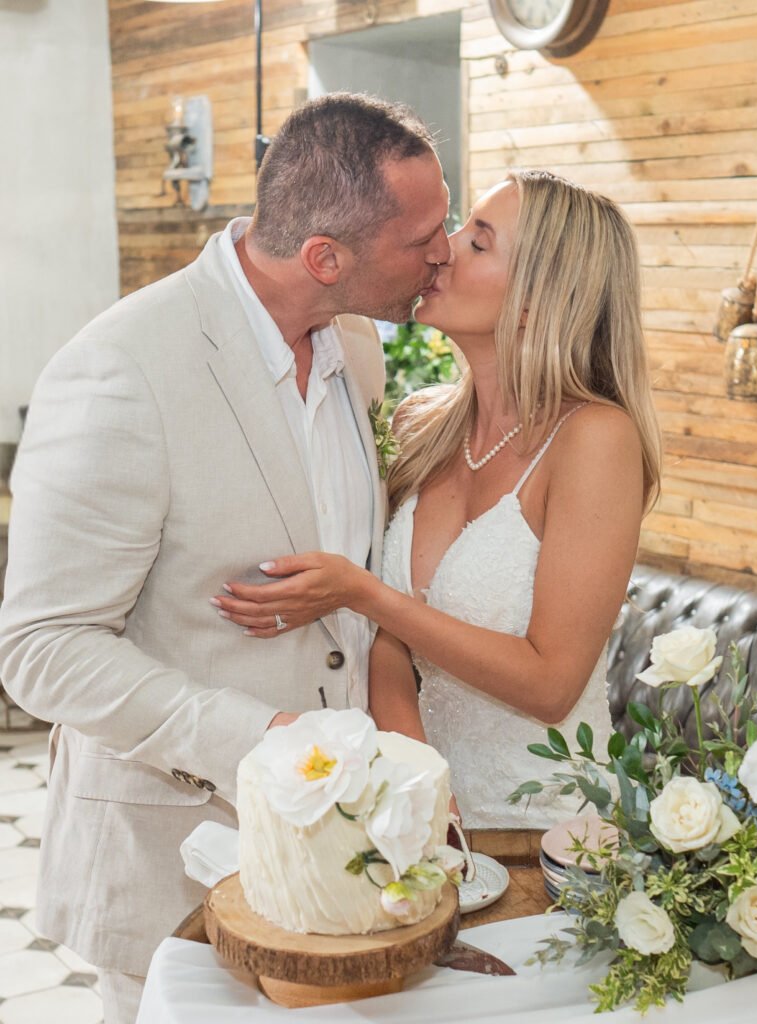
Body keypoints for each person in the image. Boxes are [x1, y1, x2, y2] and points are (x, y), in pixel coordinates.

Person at [0, 93, 449, 1024]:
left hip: (344, 879)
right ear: (325, 256)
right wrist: (263, 738)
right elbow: (40, 647)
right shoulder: (122, 367)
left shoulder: (355, 345)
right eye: (424, 237)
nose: (441, 254)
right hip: (177, 864)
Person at [211, 171, 662, 828]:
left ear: (537, 298)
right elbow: (388, 644)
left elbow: (548, 684)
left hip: (543, 824)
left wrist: (359, 592)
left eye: (476, 242)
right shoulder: (420, 425)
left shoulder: (595, 439)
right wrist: (416, 775)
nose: (442, 249)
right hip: (418, 815)